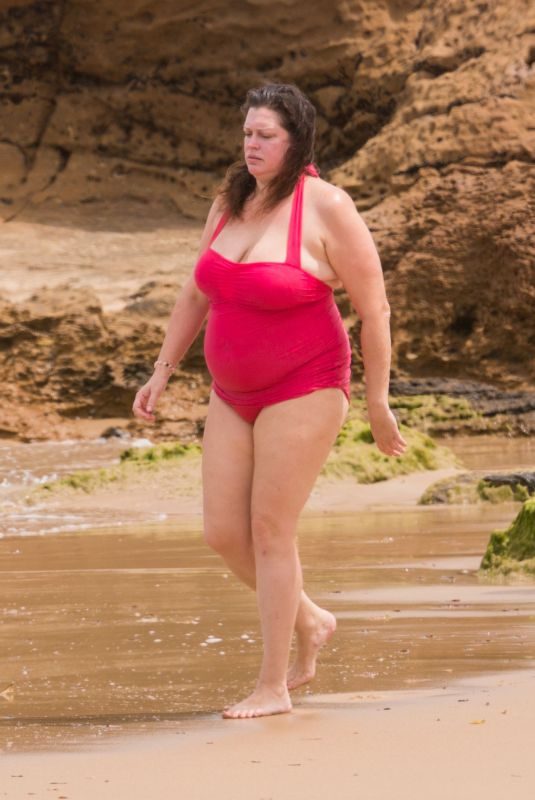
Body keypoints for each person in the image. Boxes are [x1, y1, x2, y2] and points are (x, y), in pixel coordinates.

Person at [132, 83, 407, 720]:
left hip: (306, 384)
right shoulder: (231, 202)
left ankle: (273, 686)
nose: (251, 146)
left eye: (266, 136)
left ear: (297, 141)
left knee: (268, 530)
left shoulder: (328, 207)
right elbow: (196, 293)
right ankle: (310, 618)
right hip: (231, 392)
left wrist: (377, 401)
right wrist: (162, 371)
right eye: (247, 133)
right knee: (223, 533)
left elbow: (375, 310)